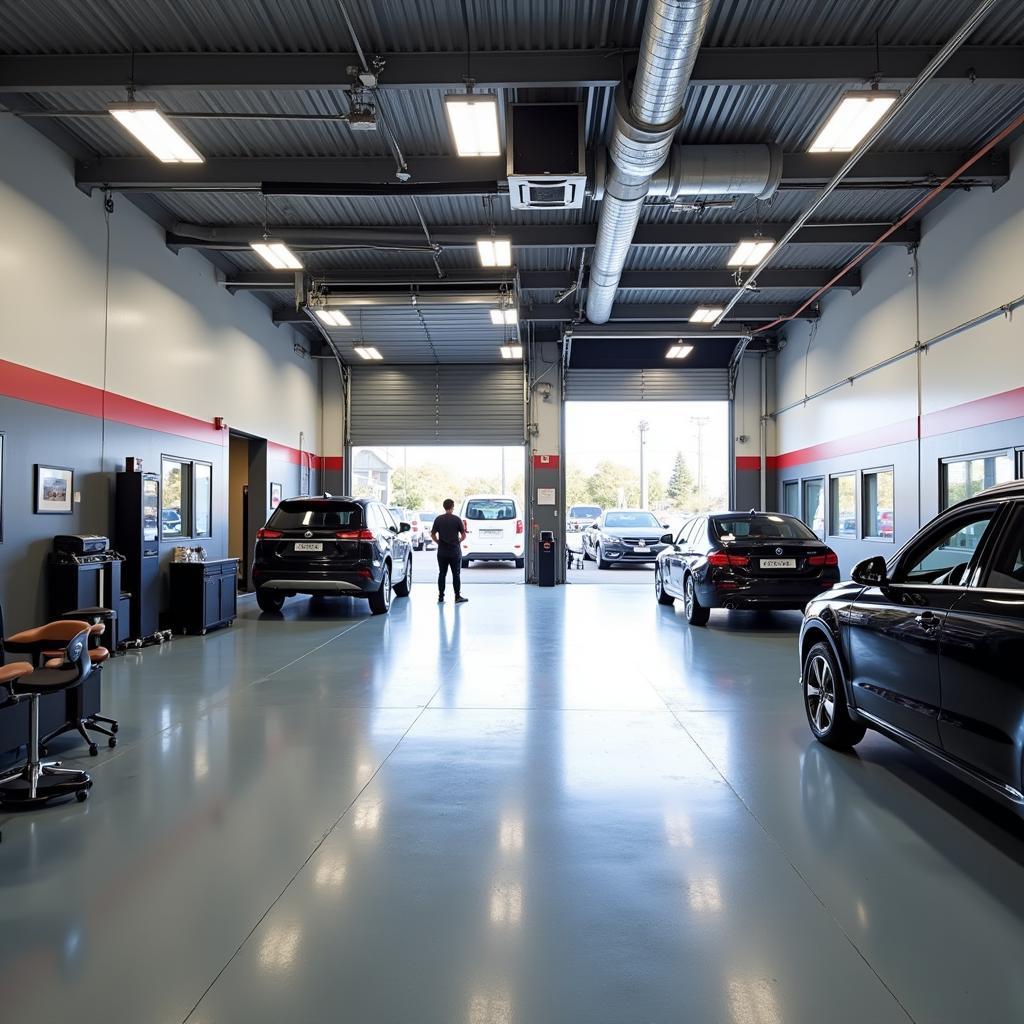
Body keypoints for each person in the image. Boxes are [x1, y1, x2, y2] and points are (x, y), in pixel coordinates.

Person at [431, 499, 468, 604]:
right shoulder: (457, 519)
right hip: (454, 552)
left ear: (444, 507)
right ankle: (457, 597)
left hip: (442, 552)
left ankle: (441, 597)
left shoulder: (438, 519)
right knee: (456, 574)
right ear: (452, 507)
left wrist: (438, 542)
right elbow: (464, 535)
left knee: (442, 573)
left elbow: (432, 534)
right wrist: (458, 542)